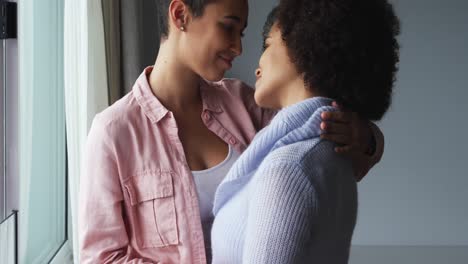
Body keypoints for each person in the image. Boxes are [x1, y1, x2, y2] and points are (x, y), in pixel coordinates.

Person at [78, 0, 385, 263]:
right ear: (180, 15)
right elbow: (100, 257)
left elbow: (317, 157)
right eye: (228, 27)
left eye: (242, 34)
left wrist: (364, 137)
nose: (238, 48)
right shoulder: (113, 132)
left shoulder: (245, 103)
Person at [211, 0, 400, 263]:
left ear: (301, 44)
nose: (257, 64)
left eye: (267, 44)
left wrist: (369, 140)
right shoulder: (329, 156)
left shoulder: (288, 167)